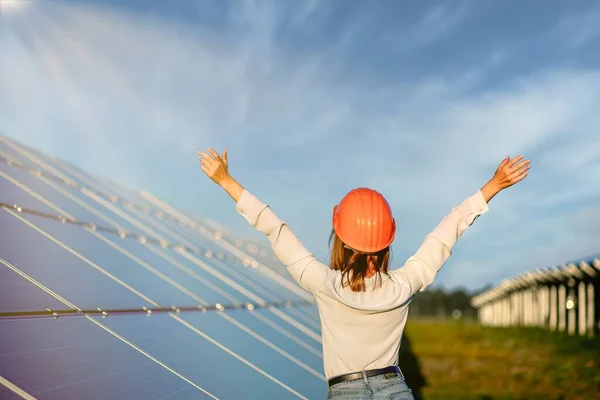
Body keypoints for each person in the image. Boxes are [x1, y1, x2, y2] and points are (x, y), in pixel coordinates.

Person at [198, 148, 530, 399]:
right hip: (396, 389)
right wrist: (493, 186)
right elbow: (446, 232)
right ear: (390, 239)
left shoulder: (324, 284)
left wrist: (226, 181)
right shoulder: (404, 285)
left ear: (338, 233)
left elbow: (274, 228)